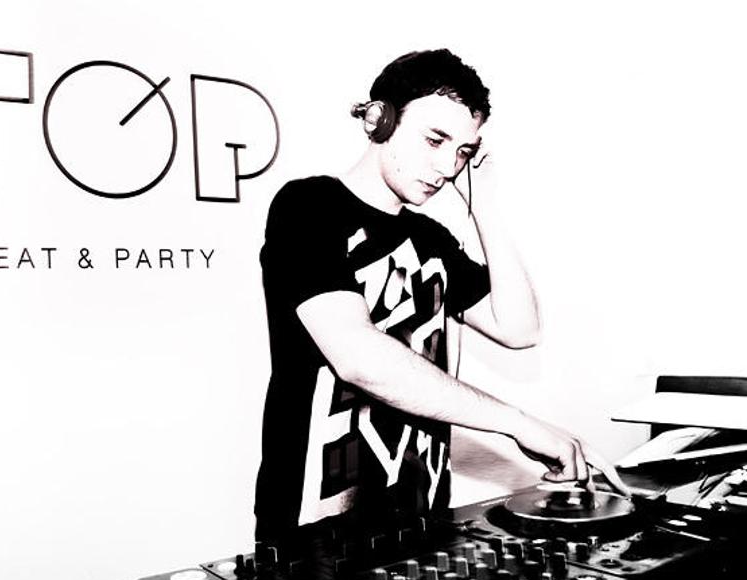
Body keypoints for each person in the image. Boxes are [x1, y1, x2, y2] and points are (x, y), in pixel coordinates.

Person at [254, 49, 628, 545]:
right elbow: (359, 359)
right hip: (317, 530)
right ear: (379, 119)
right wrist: (518, 424)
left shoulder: (433, 240)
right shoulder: (308, 207)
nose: (449, 166)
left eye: (463, 151)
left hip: (421, 520)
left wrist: (484, 207)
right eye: (435, 140)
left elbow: (520, 329)